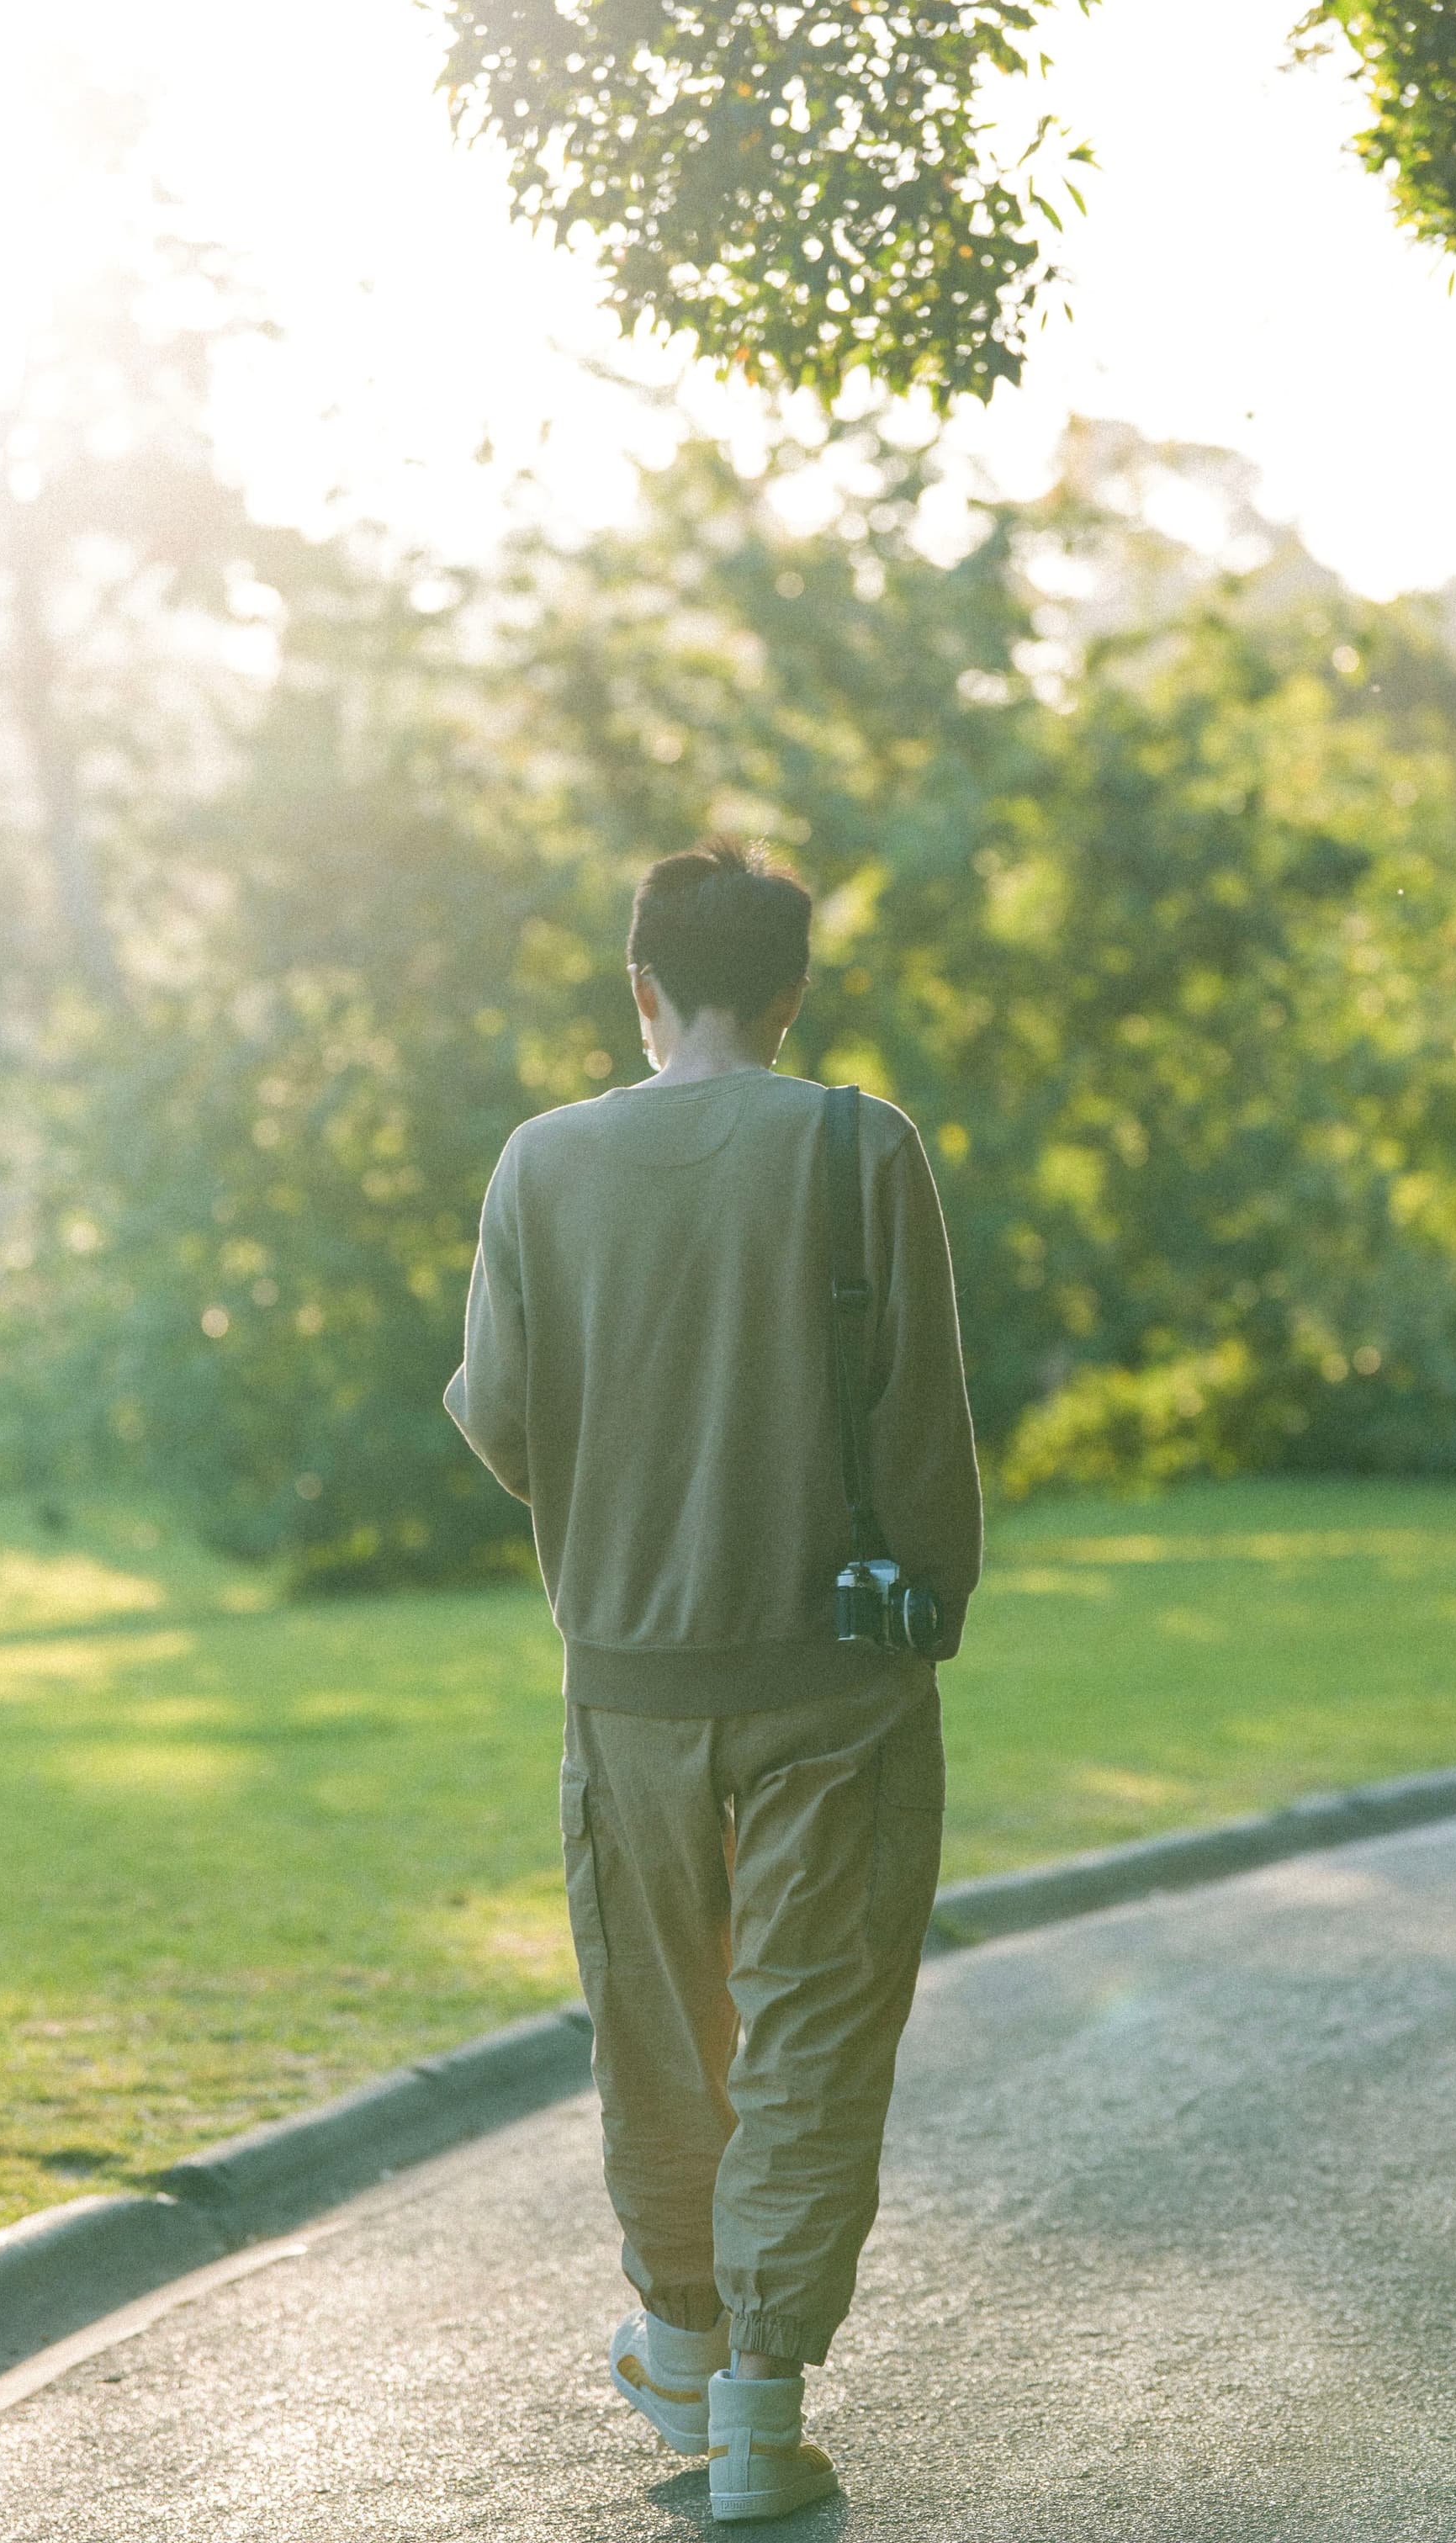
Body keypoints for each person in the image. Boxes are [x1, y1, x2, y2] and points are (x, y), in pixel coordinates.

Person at [445, 835, 982, 2523]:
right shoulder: (857, 1142)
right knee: (819, 2030)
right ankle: (754, 2403)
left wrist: (625, 1533)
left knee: (659, 2036)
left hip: (627, 1690)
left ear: (640, 983)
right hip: (836, 1681)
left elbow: (500, 1418)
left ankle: (676, 2337)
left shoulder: (540, 1163)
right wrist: (931, 1601)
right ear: (795, 990)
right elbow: (921, 1420)